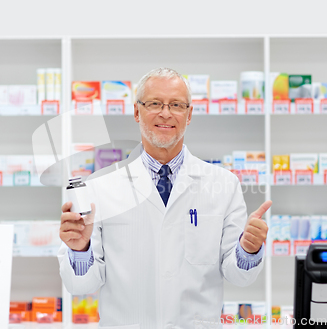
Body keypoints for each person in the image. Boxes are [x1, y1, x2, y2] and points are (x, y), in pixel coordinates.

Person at [58, 67, 271, 329]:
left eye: (177, 105)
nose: (166, 113)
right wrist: (80, 249)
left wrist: (248, 251)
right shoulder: (100, 187)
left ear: (189, 114)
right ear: (137, 112)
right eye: (155, 103)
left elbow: (239, 277)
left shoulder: (224, 185)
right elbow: (81, 285)